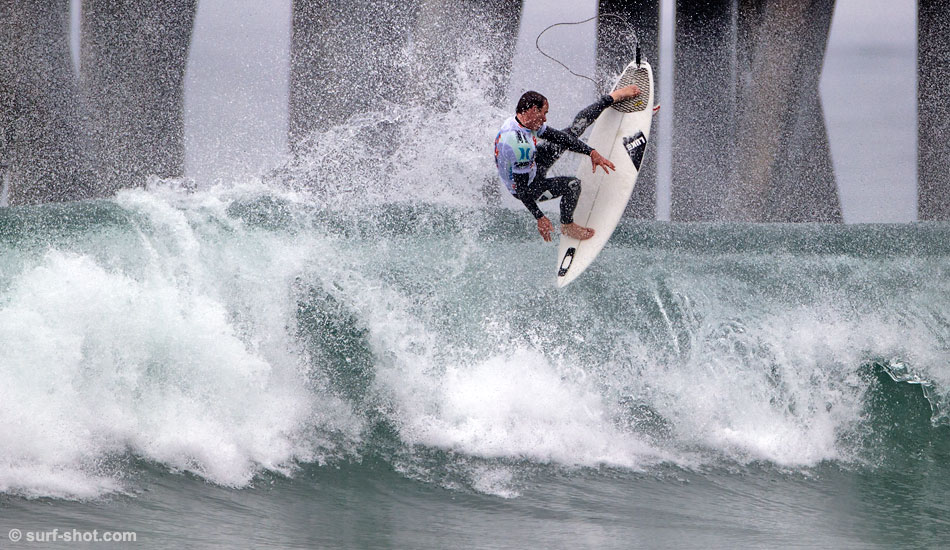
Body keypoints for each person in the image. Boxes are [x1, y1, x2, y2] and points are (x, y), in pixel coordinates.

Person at [493, 86, 641, 242]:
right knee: (573, 185)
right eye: (544, 113)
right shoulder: (519, 145)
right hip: (530, 187)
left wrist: (591, 152)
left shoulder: (520, 122)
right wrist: (540, 217)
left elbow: (560, 138)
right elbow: (522, 190)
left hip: (533, 162)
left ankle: (611, 98)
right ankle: (567, 225)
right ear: (533, 110)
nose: (545, 119)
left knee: (574, 130)